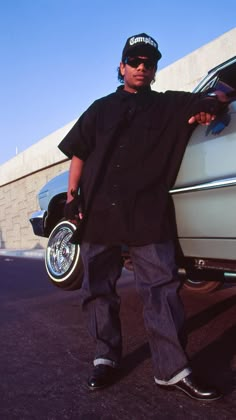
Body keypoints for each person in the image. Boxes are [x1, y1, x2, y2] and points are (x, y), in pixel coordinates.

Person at [58, 33, 229, 401]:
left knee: (162, 290)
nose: (141, 67)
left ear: (154, 70)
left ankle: (171, 369)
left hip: (148, 210)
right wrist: (73, 197)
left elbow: (214, 99)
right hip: (100, 210)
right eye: (134, 61)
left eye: (148, 62)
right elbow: (78, 153)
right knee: (98, 290)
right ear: (121, 67)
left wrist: (210, 106)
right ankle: (105, 358)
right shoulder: (99, 108)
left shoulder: (169, 105)